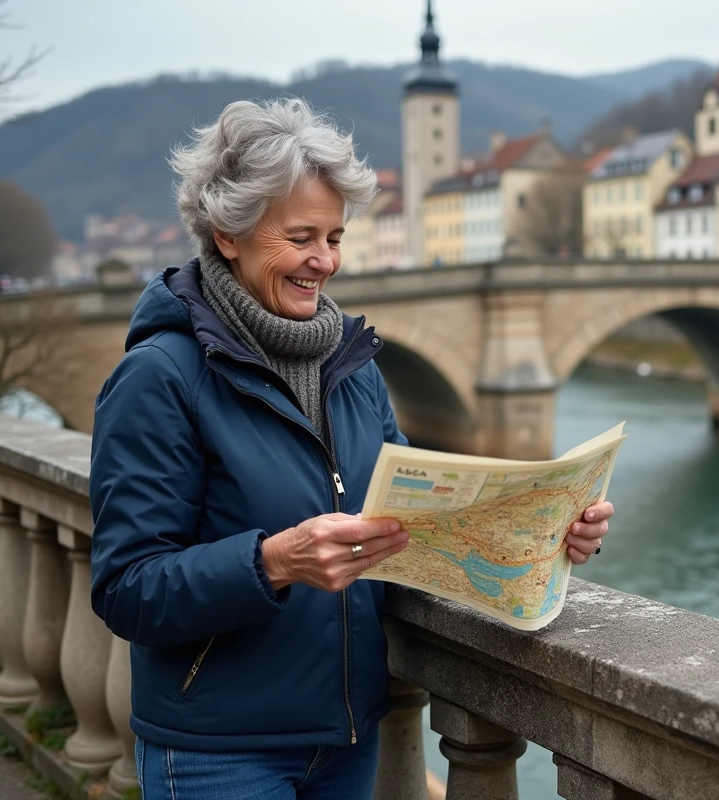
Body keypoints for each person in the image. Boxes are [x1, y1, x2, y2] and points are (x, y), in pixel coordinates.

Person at [87, 98, 614, 800]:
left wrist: (546, 532)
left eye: (335, 236)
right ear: (228, 234)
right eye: (301, 236)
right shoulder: (159, 378)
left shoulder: (353, 368)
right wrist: (270, 562)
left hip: (347, 742)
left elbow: (416, 532)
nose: (325, 261)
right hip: (221, 752)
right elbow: (127, 588)